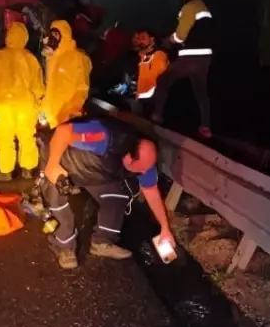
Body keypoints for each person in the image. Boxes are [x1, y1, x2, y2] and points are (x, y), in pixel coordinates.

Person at [41, 115, 176, 270]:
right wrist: (51, 164)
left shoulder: (145, 162)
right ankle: (65, 247)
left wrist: (165, 228)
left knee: (118, 195)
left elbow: (151, 190)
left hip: (94, 171)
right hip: (63, 160)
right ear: (127, 158)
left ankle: (101, 242)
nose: (145, 172)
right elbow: (63, 132)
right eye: (141, 169)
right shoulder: (105, 137)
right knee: (56, 198)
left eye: (147, 169)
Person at [151, 0, 214, 138]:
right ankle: (205, 127)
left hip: (190, 57)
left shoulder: (189, 7)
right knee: (201, 92)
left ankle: (157, 116)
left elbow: (180, 36)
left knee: (163, 80)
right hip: (205, 58)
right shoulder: (205, 8)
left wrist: (167, 41)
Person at [0, 22, 44, 181]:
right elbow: (38, 87)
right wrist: (38, 103)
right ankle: (27, 169)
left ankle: (6, 172)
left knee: (4, 137)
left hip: (3, 105)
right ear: (25, 38)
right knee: (27, 137)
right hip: (25, 104)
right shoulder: (31, 58)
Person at [40, 19, 91, 129]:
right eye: (51, 34)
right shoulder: (52, 58)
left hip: (66, 119)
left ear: (64, 35)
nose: (53, 38)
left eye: (56, 34)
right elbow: (50, 86)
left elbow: (82, 89)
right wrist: (43, 109)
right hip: (51, 119)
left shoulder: (77, 57)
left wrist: (71, 112)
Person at [132, 28, 169, 115]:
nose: (140, 41)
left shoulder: (159, 55)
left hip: (151, 102)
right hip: (142, 99)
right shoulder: (143, 56)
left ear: (152, 39)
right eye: (138, 39)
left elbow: (161, 79)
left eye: (143, 38)